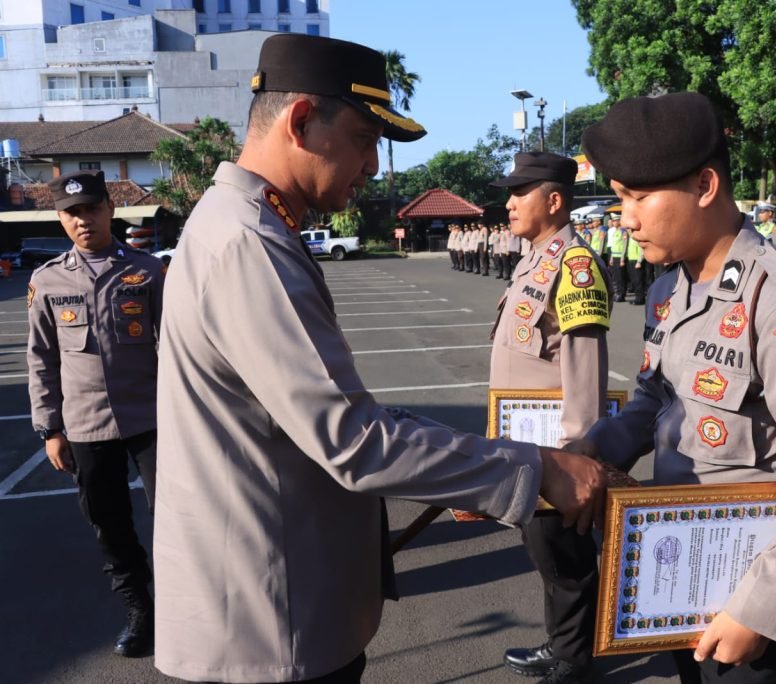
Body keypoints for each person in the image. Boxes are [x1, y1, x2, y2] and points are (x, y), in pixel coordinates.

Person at [153, 35, 607, 684]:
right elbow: (354, 439)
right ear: (301, 121)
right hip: (272, 620)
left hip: (274, 594)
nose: (372, 165)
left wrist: (484, 460)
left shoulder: (245, 225)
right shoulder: (249, 243)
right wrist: (535, 469)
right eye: (364, 139)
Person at [577, 91, 776, 683]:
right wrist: (592, 451)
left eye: (639, 197)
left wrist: (762, 610)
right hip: (689, 570)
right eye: (620, 198)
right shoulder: (670, 290)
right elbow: (656, 399)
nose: (625, 218)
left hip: (763, 583)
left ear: (705, 185)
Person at [27, 170, 165, 658]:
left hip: (151, 417)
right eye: (72, 213)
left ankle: (186, 604)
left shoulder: (147, 271)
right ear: (60, 219)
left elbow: (177, 346)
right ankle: (140, 611)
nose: (83, 220)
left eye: (91, 209)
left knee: (175, 515)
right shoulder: (47, 280)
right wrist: (50, 428)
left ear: (110, 209)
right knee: (109, 524)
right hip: (86, 423)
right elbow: (41, 358)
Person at [490, 152, 611, 684]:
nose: (510, 204)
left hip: (557, 447)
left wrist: (576, 450)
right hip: (526, 442)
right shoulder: (533, 260)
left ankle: (574, 661)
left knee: (565, 557)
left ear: (555, 200)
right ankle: (561, 644)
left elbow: (585, 369)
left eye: (520, 194)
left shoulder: (575, 266)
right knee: (544, 551)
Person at [606, 212, 628, 302]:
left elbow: (624, 245)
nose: (613, 222)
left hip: (620, 257)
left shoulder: (623, 231)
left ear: (619, 221)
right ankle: (617, 292)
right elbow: (613, 245)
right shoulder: (615, 231)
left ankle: (621, 294)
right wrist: (611, 258)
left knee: (621, 277)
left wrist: (622, 258)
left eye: (615, 221)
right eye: (613, 221)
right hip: (614, 256)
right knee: (616, 277)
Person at [625, 226, 647, 305]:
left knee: (638, 281)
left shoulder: (637, 237)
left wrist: (639, 261)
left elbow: (642, 250)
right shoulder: (630, 237)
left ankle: (640, 299)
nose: (627, 230)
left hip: (637, 261)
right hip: (631, 260)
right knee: (634, 281)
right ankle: (637, 297)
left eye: (628, 228)